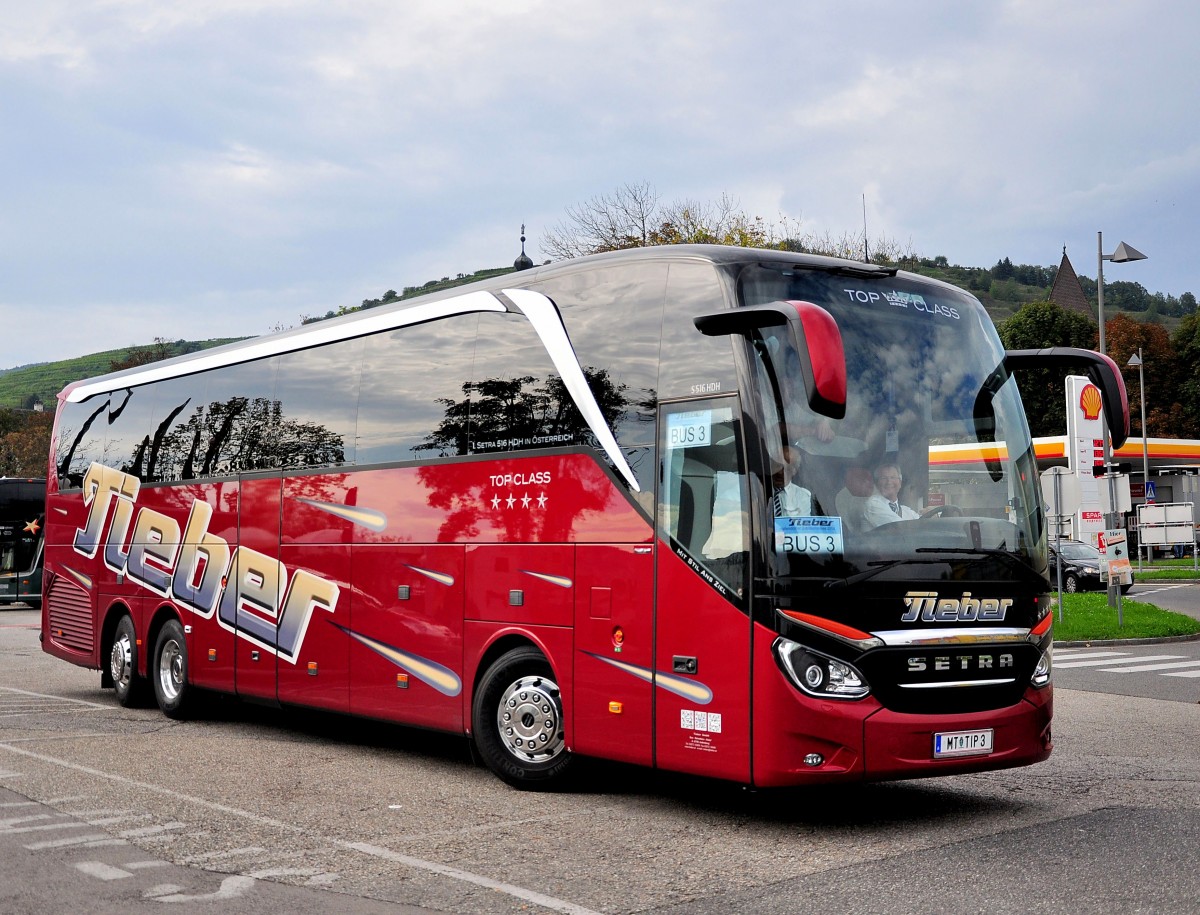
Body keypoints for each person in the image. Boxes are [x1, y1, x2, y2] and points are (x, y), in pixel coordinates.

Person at [862, 462, 919, 528]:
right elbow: (897, 527)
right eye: (883, 478)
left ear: (900, 482)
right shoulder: (873, 504)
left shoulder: (905, 510)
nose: (889, 482)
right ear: (877, 484)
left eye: (893, 477)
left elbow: (922, 524)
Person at [771, 445, 814, 517]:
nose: (779, 472)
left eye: (786, 468)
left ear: (794, 471)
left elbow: (802, 527)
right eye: (777, 466)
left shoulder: (802, 496)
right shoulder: (758, 491)